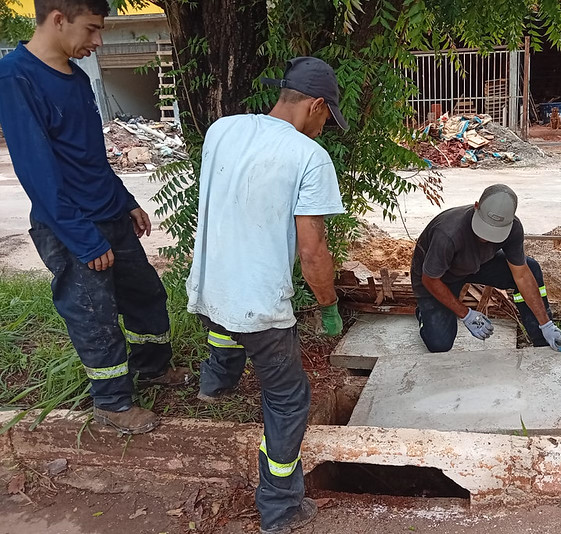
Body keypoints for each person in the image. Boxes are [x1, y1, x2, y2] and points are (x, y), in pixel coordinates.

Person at [0, 0, 189, 435]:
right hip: (72, 226)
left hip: (110, 214)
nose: (98, 41)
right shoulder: (16, 77)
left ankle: (152, 369)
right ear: (58, 19)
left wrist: (125, 200)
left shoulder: (78, 76)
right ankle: (113, 404)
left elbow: (91, 157)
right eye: (91, 29)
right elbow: (38, 173)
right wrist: (84, 239)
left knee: (146, 295)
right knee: (94, 316)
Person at [186, 56, 347, 534]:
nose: (324, 128)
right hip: (259, 307)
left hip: (207, 289)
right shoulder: (309, 156)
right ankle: (280, 506)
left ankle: (213, 386)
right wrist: (329, 305)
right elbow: (312, 251)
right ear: (316, 105)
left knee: (226, 327)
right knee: (289, 398)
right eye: (327, 117)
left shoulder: (223, 130)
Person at [411, 184, 561, 354]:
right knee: (439, 344)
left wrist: (546, 324)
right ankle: (423, 314)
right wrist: (466, 314)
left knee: (531, 268)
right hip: (438, 276)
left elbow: (522, 275)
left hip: (477, 264)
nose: (486, 238)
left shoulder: (513, 227)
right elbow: (430, 279)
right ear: (476, 206)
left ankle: (543, 336)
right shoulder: (448, 233)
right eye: (484, 229)